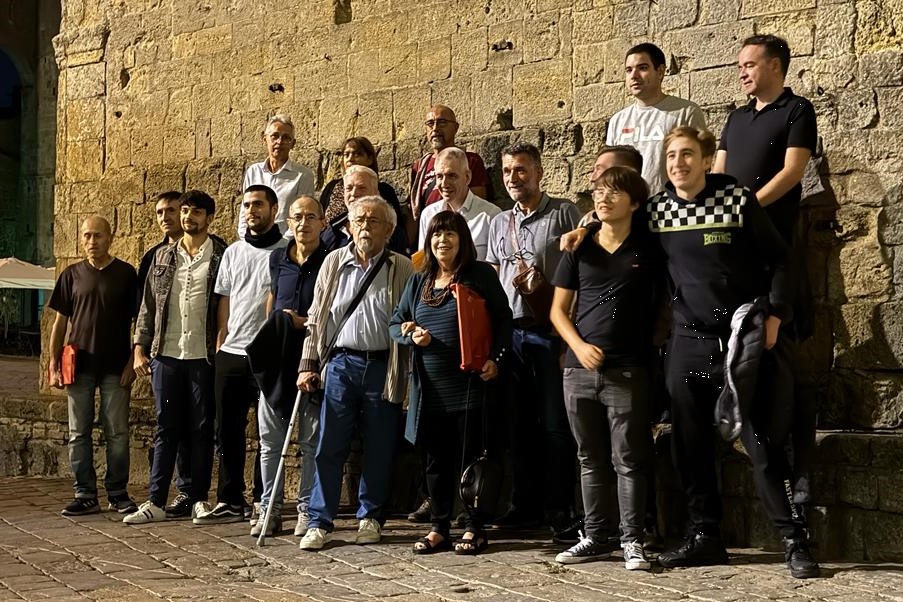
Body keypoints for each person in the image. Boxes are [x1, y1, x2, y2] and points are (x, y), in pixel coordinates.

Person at [650, 126, 819, 579]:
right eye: (671, 157)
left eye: (688, 155)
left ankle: (793, 539)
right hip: (688, 343)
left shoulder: (737, 201)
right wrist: (585, 229)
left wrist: (777, 316)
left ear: (708, 160)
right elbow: (621, 238)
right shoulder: (659, 211)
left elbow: (782, 259)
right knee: (689, 444)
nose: (679, 164)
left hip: (742, 340)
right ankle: (705, 536)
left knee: (760, 441)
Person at [712, 34, 820, 577]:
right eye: (740, 66)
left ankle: (798, 498)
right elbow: (724, 172)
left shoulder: (797, 111)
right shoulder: (735, 118)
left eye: (750, 65)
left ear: (775, 65)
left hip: (777, 255)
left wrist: (746, 207)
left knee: (785, 380)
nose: (743, 73)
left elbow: (794, 171)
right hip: (740, 257)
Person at [550, 166, 662, 570]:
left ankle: (632, 540)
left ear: (633, 202)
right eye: (598, 191)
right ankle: (596, 536)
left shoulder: (650, 248)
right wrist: (578, 347)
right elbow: (558, 311)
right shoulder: (578, 249)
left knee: (628, 458)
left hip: (628, 368)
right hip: (579, 370)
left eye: (614, 192)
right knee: (589, 457)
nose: (603, 198)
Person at [391, 211, 512, 555]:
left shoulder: (479, 276)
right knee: (435, 462)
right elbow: (396, 323)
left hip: (470, 388)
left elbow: (504, 320)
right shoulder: (419, 280)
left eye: (450, 235)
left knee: (471, 460)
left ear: (463, 241)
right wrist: (410, 333)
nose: (442, 241)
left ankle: (474, 528)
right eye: (436, 235)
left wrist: (496, 360)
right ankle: (439, 527)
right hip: (429, 392)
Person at [296, 196, 413, 550]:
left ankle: (371, 517)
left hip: (382, 365)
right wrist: (308, 364)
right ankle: (320, 521)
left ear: (389, 230)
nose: (364, 226)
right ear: (348, 226)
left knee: (379, 446)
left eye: (373, 221)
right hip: (341, 364)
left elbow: (409, 315)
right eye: (359, 220)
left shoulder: (402, 267)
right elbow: (317, 318)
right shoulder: (334, 262)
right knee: (329, 444)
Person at [484, 142, 581, 539]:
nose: (513, 178)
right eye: (507, 171)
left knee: (555, 424)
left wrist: (568, 337)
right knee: (518, 424)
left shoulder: (563, 213)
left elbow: (578, 273)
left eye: (521, 170)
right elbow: (493, 276)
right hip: (512, 334)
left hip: (549, 332)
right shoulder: (498, 223)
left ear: (539, 172)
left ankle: (559, 509)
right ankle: (523, 506)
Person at [126, 191, 226, 524]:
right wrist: (139, 346)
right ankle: (155, 501)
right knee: (166, 428)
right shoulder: (163, 257)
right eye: (184, 211)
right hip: (166, 354)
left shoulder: (221, 256)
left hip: (203, 355)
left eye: (196, 212)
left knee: (200, 429)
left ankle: (197, 498)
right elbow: (148, 306)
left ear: (209, 218)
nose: (187, 218)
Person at [193, 185, 288, 525]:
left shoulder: (286, 250)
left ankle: (263, 500)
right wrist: (221, 338)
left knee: (268, 433)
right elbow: (225, 297)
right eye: (247, 205)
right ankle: (230, 498)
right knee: (227, 430)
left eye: (258, 204)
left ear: (274, 209)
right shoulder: (233, 251)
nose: (251, 210)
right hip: (232, 352)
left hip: (268, 355)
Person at [48, 216, 139, 516]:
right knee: (78, 432)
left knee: (117, 433)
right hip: (79, 366)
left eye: (97, 236)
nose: (91, 241)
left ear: (110, 237)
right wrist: (53, 363)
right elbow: (59, 324)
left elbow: (140, 323)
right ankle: (85, 493)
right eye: (86, 236)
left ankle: (117, 492)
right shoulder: (71, 275)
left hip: (116, 367)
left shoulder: (127, 274)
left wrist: (132, 361)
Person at [251, 195, 328, 537]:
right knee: (270, 441)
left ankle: (306, 508)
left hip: (311, 359)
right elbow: (273, 299)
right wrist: (276, 324)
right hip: (277, 359)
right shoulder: (278, 258)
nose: (303, 223)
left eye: (311, 217)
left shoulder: (331, 260)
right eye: (297, 216)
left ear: (323, 223)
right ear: (288, 221)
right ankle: (269, 507)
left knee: (310, 441)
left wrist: (301, 323)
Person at [606, 43, 706, 194]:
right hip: (628, 211)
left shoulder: (685, 112)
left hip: (670, 208)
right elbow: (610, 170)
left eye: (643, 68)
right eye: (628, 70)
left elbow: (699, 166)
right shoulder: (617, 121)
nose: (634, 75)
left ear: (660, 72)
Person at [405, 105, 490, 246]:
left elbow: (476, 204)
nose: (435, 128)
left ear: (456, 128)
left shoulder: (470, 161)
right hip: (432, 234)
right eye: (430, 123)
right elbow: (415, 210)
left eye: (442, 122)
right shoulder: (420, 167)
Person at [238, 114, 315, 239]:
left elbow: (302, 216)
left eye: (286, 138)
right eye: (275, 136)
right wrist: (245, 239)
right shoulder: (253, 172)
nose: (279, 142)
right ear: (265, 140)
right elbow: (244, 211)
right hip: (253, 242)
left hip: (285, 244)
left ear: (293, 144)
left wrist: (282, 244)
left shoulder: (303, 176)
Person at [418, 147, 501, 260]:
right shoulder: (428, 214)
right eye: (439, 176)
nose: (444, 183)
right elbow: (424, 262)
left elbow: (498, 267)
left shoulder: (490, 216)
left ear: (467, 177)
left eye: (452, 176)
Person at [321, 163, 408, 254]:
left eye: (362, 188)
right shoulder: (333, 229)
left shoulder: (389, 231)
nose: (354, 193)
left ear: (376, 193)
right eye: (349, 188)